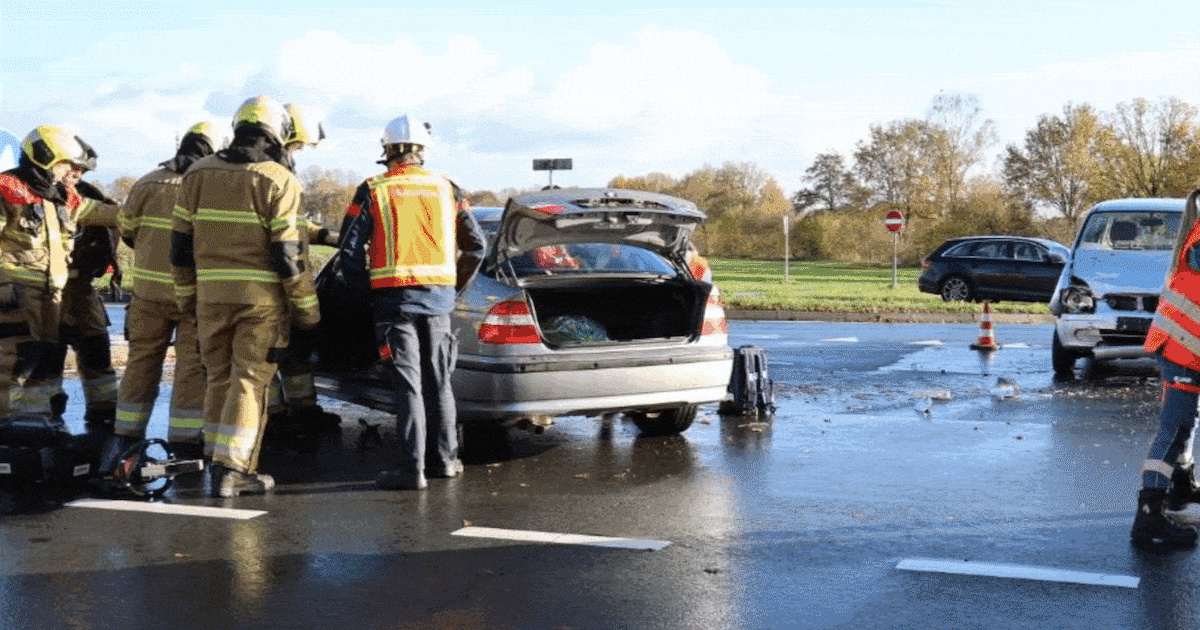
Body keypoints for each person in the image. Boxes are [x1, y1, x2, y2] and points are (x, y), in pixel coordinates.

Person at [172, 96, 320, 497]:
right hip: (260, 303)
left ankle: (215, 459)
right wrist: (307, 311)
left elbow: (180, 249)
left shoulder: (197, 174)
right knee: (249, 382)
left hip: (209, 299)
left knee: (218, 377)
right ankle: (234, 469)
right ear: (277, 133)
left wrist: (188, 300)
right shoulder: (278, 179)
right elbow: (289, 257)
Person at [337, 114, 485, 490]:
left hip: (393, 304)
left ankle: (412, 470)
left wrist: (363, 295)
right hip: (437, 303)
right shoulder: (447, 189)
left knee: (409, 386)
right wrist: (455, 287)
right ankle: (446, 461)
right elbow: (476, 246)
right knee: (439, 383)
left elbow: (349, 251)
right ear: (422, 151)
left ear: (387, 150)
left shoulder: (374, 189)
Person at [105, 122, 219, 466]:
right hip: (191, 296)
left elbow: (126, 231)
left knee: (141, 363)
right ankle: (183, 443)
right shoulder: (208, 184)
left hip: (147, 296)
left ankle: (125, 435)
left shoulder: (147, 183)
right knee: (190, 369)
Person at [0, 126, 92, 419]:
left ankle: (37, 421)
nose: (70, 171)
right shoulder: (8, 189)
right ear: (45, 157)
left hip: (50, 293)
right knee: (14, 361)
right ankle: (9, 426)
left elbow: (103, 212)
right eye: (66, 163)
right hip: (15, 291)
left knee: (47, 359)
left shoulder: (56, 195)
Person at [263, 103, 342, 442]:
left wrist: (323, 235)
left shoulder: (277, 171)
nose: (298, 153)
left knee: (295, 352)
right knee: (266, 358)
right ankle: (275, 419)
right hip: (274, 281)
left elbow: (291, 224)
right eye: (297, 146)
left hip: (281, 279)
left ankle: (303, 410)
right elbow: (282, 234)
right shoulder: (270, 174)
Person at [1134, 188, 1200, 551]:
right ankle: (1148, 517)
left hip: (1184, 348)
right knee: (1172, 429)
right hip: (1180, 350)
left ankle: (1182, 485)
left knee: (1186, 421)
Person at [49, 147, 122, 431]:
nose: (77, 174)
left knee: (96, 350)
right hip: (45, 290)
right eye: (73, 166)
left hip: (82, 288)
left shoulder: (89, 196)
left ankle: (104, 413)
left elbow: (116, 222)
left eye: (82, 170)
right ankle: (44, 417)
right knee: (46, 357)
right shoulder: (27, 194)